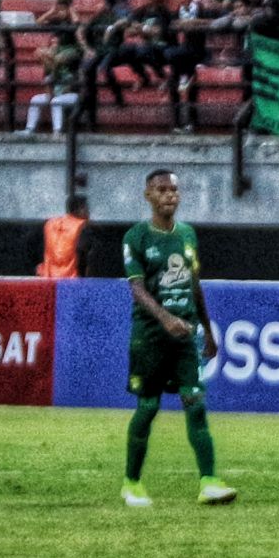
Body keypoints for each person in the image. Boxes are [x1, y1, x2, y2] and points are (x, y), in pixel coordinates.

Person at [120, 168, 238, 508]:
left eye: (174, 190)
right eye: (162, 190)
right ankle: (132, 483)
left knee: (195, 404)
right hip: (150, 337)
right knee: (148, 407)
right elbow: (137, 289)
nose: (170, 195)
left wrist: (209, 331)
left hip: (185, 336)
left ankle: (209, 481)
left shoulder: (187, 235)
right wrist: (165, 318)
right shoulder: (136, 237)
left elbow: (194, 284)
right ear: (148, 196)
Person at [31, 194, 94, 278]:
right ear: (80, 209)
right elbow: (82, 253)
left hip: (48, 278)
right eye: (87, 209)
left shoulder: (49, 224)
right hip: (71, 280)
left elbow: (32, 244)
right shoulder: (83, 227)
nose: (89, 213)